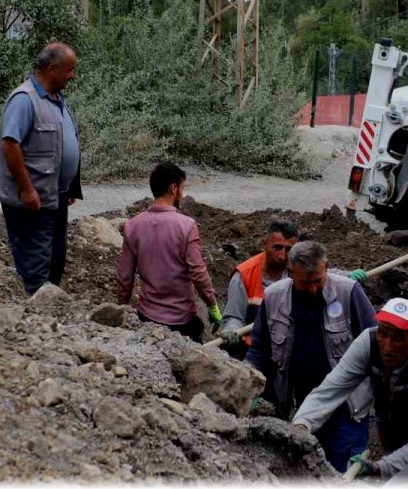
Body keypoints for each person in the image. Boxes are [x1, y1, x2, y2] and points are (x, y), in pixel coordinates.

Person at [292, 298, 408, 478]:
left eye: (398, 338)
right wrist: (300, 427)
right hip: (396, 432)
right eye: (383, 333)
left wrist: (379, 467)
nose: (387, 347)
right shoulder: (368, 342)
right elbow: (329, 390)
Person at [246, 240, 375, 472]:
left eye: (318, 280)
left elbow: (376, 345)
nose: (314, 289)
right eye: (305, 283)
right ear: (290, 273)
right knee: (310, 469)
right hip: (303, 403)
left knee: (343, 469)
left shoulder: (348, 292)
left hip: (347, 404)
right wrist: (248, 383)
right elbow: (259, 349)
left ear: (327, 266)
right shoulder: (275, 297)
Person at [0, 42, 83, 296]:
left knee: (55, 261)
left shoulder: (57, 99)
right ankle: (38, 321)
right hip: (32, 201)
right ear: (53, 69)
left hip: (55, 197)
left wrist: (70, 185)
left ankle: (49, 317)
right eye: (70, 70)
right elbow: (10, 145)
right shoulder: (24, 100)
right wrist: (27, 189)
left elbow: (61, 144)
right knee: (36, 267)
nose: (73, 75)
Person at [117, 161, 221, 343]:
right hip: (182, 321)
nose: (183, 194)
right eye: (183, 188)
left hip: (146, 318)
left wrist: (121, 308)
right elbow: (198, 273)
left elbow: (125, 276)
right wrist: (212, 305)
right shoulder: (187, 226)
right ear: (174, 189)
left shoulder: (133, 225)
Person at [218, 218, 300, 359]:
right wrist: (232, 329)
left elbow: (321, 275)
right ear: (264, 244)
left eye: (289, 249)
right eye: (277, 247)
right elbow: (234, 316)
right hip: (250, 352)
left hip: (285, 350)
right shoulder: (244, 275)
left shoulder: (297, 271)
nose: (282, 256)